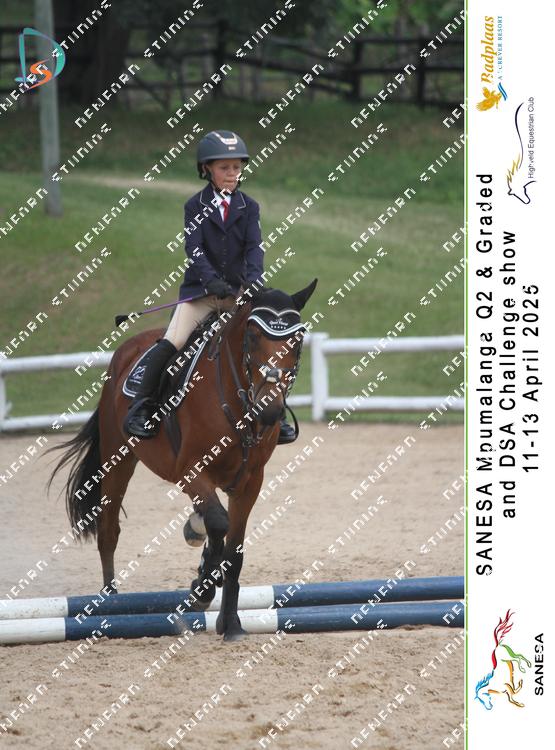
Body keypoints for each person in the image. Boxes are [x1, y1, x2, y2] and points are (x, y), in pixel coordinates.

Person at [123, 129, 297, 444]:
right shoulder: (194, 205)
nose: (232, 173)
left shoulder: (249, 207)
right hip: (201, 295)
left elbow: (254, 248)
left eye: (236, 167)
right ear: (207, 169)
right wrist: (210, 280)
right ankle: (142, 407)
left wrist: (254, 280)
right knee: (174, 341)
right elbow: (194, 248)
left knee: (263, 342)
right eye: (224, 168)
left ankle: (277, 413)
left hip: (239, 296)